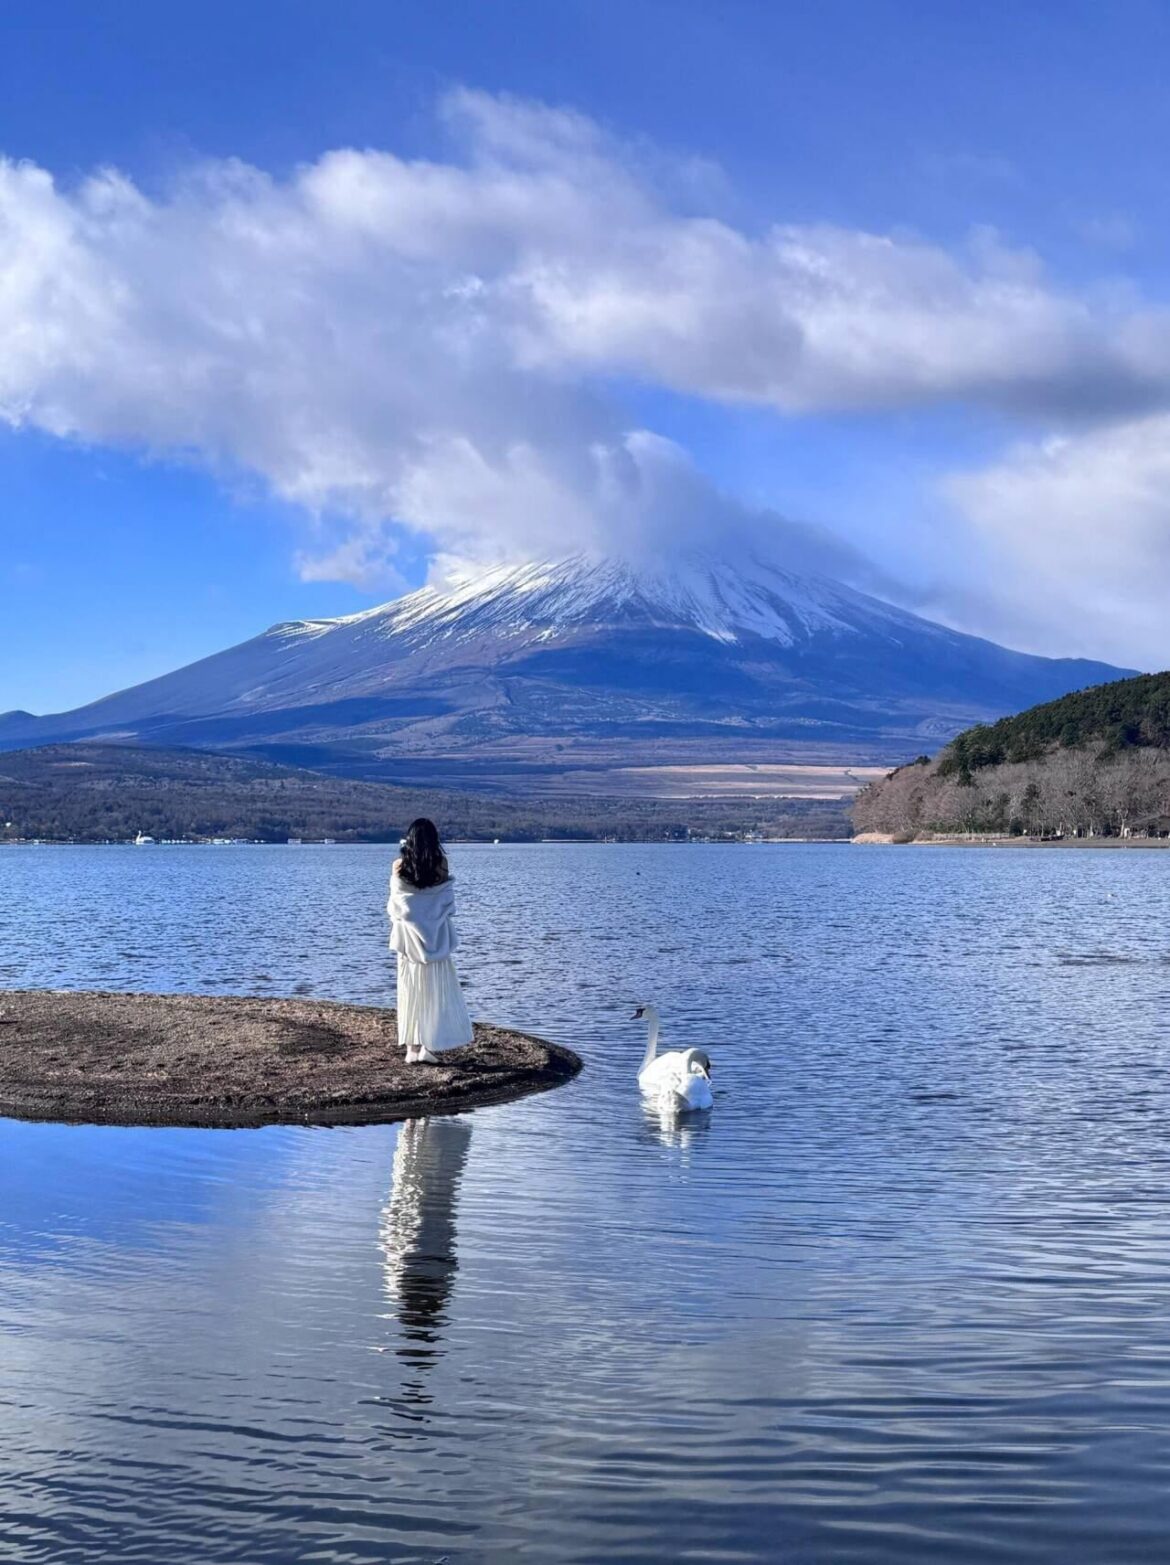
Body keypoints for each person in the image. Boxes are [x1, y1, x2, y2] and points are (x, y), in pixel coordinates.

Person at [388, 818, 473, 1064]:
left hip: (409, 945)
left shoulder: (398, 866)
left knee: (410, 991)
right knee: (433, 993)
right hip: (436, 940)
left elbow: (398, 907)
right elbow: (443, 903)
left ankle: (411, 1049)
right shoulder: (441, 865)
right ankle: (428, 1046)